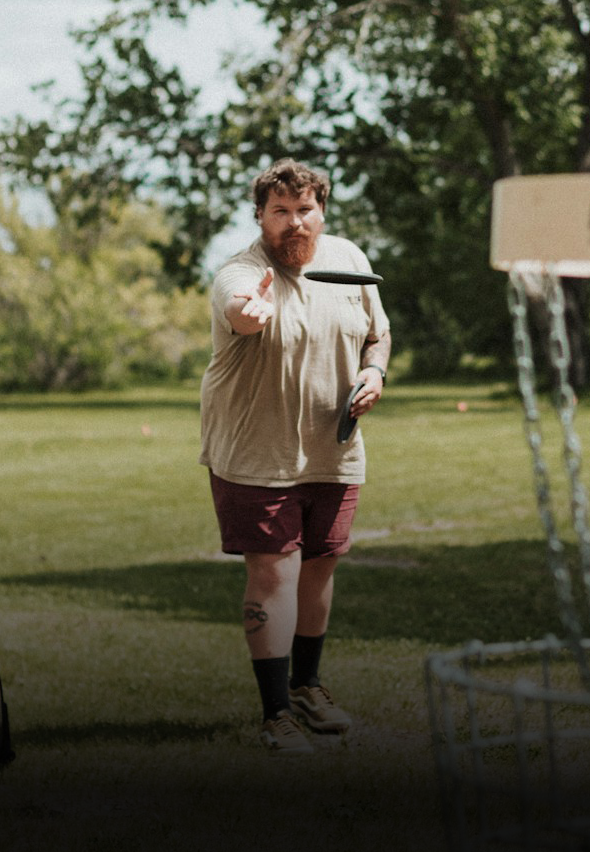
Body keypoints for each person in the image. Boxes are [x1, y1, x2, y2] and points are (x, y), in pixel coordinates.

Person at [198, 159, 391, 755]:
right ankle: (275, 713)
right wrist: (247, 314)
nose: (292, 223)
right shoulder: (240, 272)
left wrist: (374, 371)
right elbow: (238, 307)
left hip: (332, 451)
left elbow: (378, 332)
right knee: (273, 574)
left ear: (321, 211)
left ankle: (308, 686)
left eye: (303, 209)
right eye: (279, 212)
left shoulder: (350, 261)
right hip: (258, 455)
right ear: (260, 217)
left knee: (319, 567)